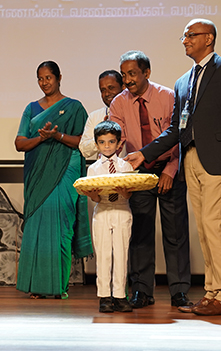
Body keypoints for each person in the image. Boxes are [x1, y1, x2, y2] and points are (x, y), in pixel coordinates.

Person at [126, 19, 221, 316]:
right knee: (203, 228)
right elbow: (175, 129)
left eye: (191, 35)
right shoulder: (183, 81)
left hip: (218, 159)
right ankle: (212, 292)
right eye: (184, 36)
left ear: (208, 38)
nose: (185, 40)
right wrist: (143, 154)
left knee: (213, 224)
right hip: (191, 159)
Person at [109, 50, 192, 308]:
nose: (127, 80)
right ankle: (142, 291)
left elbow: (179, 136)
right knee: (141, 233)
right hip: (138, 173)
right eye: (124, 75)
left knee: (175, 233)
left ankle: (179, 291)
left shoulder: (168, 96)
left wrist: (170, 170)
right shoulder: (119, 103)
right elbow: (116, 140)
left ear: (147, 72)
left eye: (132, 74)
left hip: (169, 169)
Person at [14, 60, 93, 299]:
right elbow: (19, 143)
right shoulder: (31, 109)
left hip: (65, 172)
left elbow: (83, 142)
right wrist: (41, 138)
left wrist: (57, 135)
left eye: (48, 77)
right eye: (40, 78)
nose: (44, 82)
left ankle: (59, 286)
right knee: (37, 229)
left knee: (61, 228)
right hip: (38, 175)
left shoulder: (74, 107)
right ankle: (37, 286)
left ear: (59, 78)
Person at [80, 120, 133, 313]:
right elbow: (94, 197)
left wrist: (124, 192)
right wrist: (93, 195)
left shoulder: (125, 166)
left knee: (121, 253)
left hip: (121, 209)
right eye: (102, 142)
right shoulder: (93, 169)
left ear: (119, 143)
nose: (107, 146)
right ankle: (104, 296)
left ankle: (120, 295)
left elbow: (129, 194)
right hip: (102, 210)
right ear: (96, 144)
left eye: (111, 142)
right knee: (103, 254)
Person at [79, 70, 125, 159]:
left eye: (111, 88)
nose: (107, 93)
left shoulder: (133, 112)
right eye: (103, 90)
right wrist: (101, 135)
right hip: (103, 167)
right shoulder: (95, 116)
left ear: (123, 87)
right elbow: (84, 150)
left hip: (130, 165)